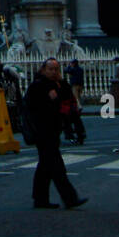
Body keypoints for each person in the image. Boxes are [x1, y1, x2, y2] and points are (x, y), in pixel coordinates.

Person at [24, 58, 88, 210]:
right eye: (50, 69)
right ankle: (70, 198)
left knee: (45, 167)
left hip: (53, 131)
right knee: (56, 166)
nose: (53, 72)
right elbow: (36, 108)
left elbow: (67, 97)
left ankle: (40, 199)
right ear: (43, 70)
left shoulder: (56, 84)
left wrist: (61, 83)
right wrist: (50, 99)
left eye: (56, 69)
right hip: (43, 132)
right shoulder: (38, 85)